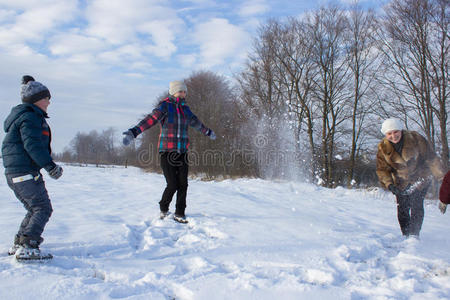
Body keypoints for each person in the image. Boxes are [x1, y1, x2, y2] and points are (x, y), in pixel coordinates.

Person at [123, 80, 216, 223]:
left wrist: (208, 132)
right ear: (173, 92)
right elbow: (150, 120)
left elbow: (196, 123)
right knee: (172, 184)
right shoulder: (164, 107)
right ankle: (164, 207)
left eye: (185, 91)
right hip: (167, 151)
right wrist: (133, 132)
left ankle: (180, 213)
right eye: (181, 91)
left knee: (183, 184)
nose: (183, 94)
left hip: (182, 152)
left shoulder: (186, 109)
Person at [2, 75, 63, 260]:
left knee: (34, 208)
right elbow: (33, 146)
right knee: (42, 208)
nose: (49, 102)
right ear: (37, 100)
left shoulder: (26, 115)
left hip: (16, 172)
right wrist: (50, 166)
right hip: (24, 172)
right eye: (46, 98)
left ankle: (21, 242)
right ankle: (29, 245)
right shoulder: (30, 117)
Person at [376, 118, 445, 237]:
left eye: (395, 131)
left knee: (416, 204)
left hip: (420, 177)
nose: (393, 136)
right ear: (385, 134)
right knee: (402, 209)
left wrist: (442, 178)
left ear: (401, 130)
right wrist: (389, 185)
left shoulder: (416, 139)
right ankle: (406, 235)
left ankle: (414, 235)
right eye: (389, 133)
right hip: (400, 182)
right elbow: (382, 170)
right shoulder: (383, 148)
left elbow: (431, 159)